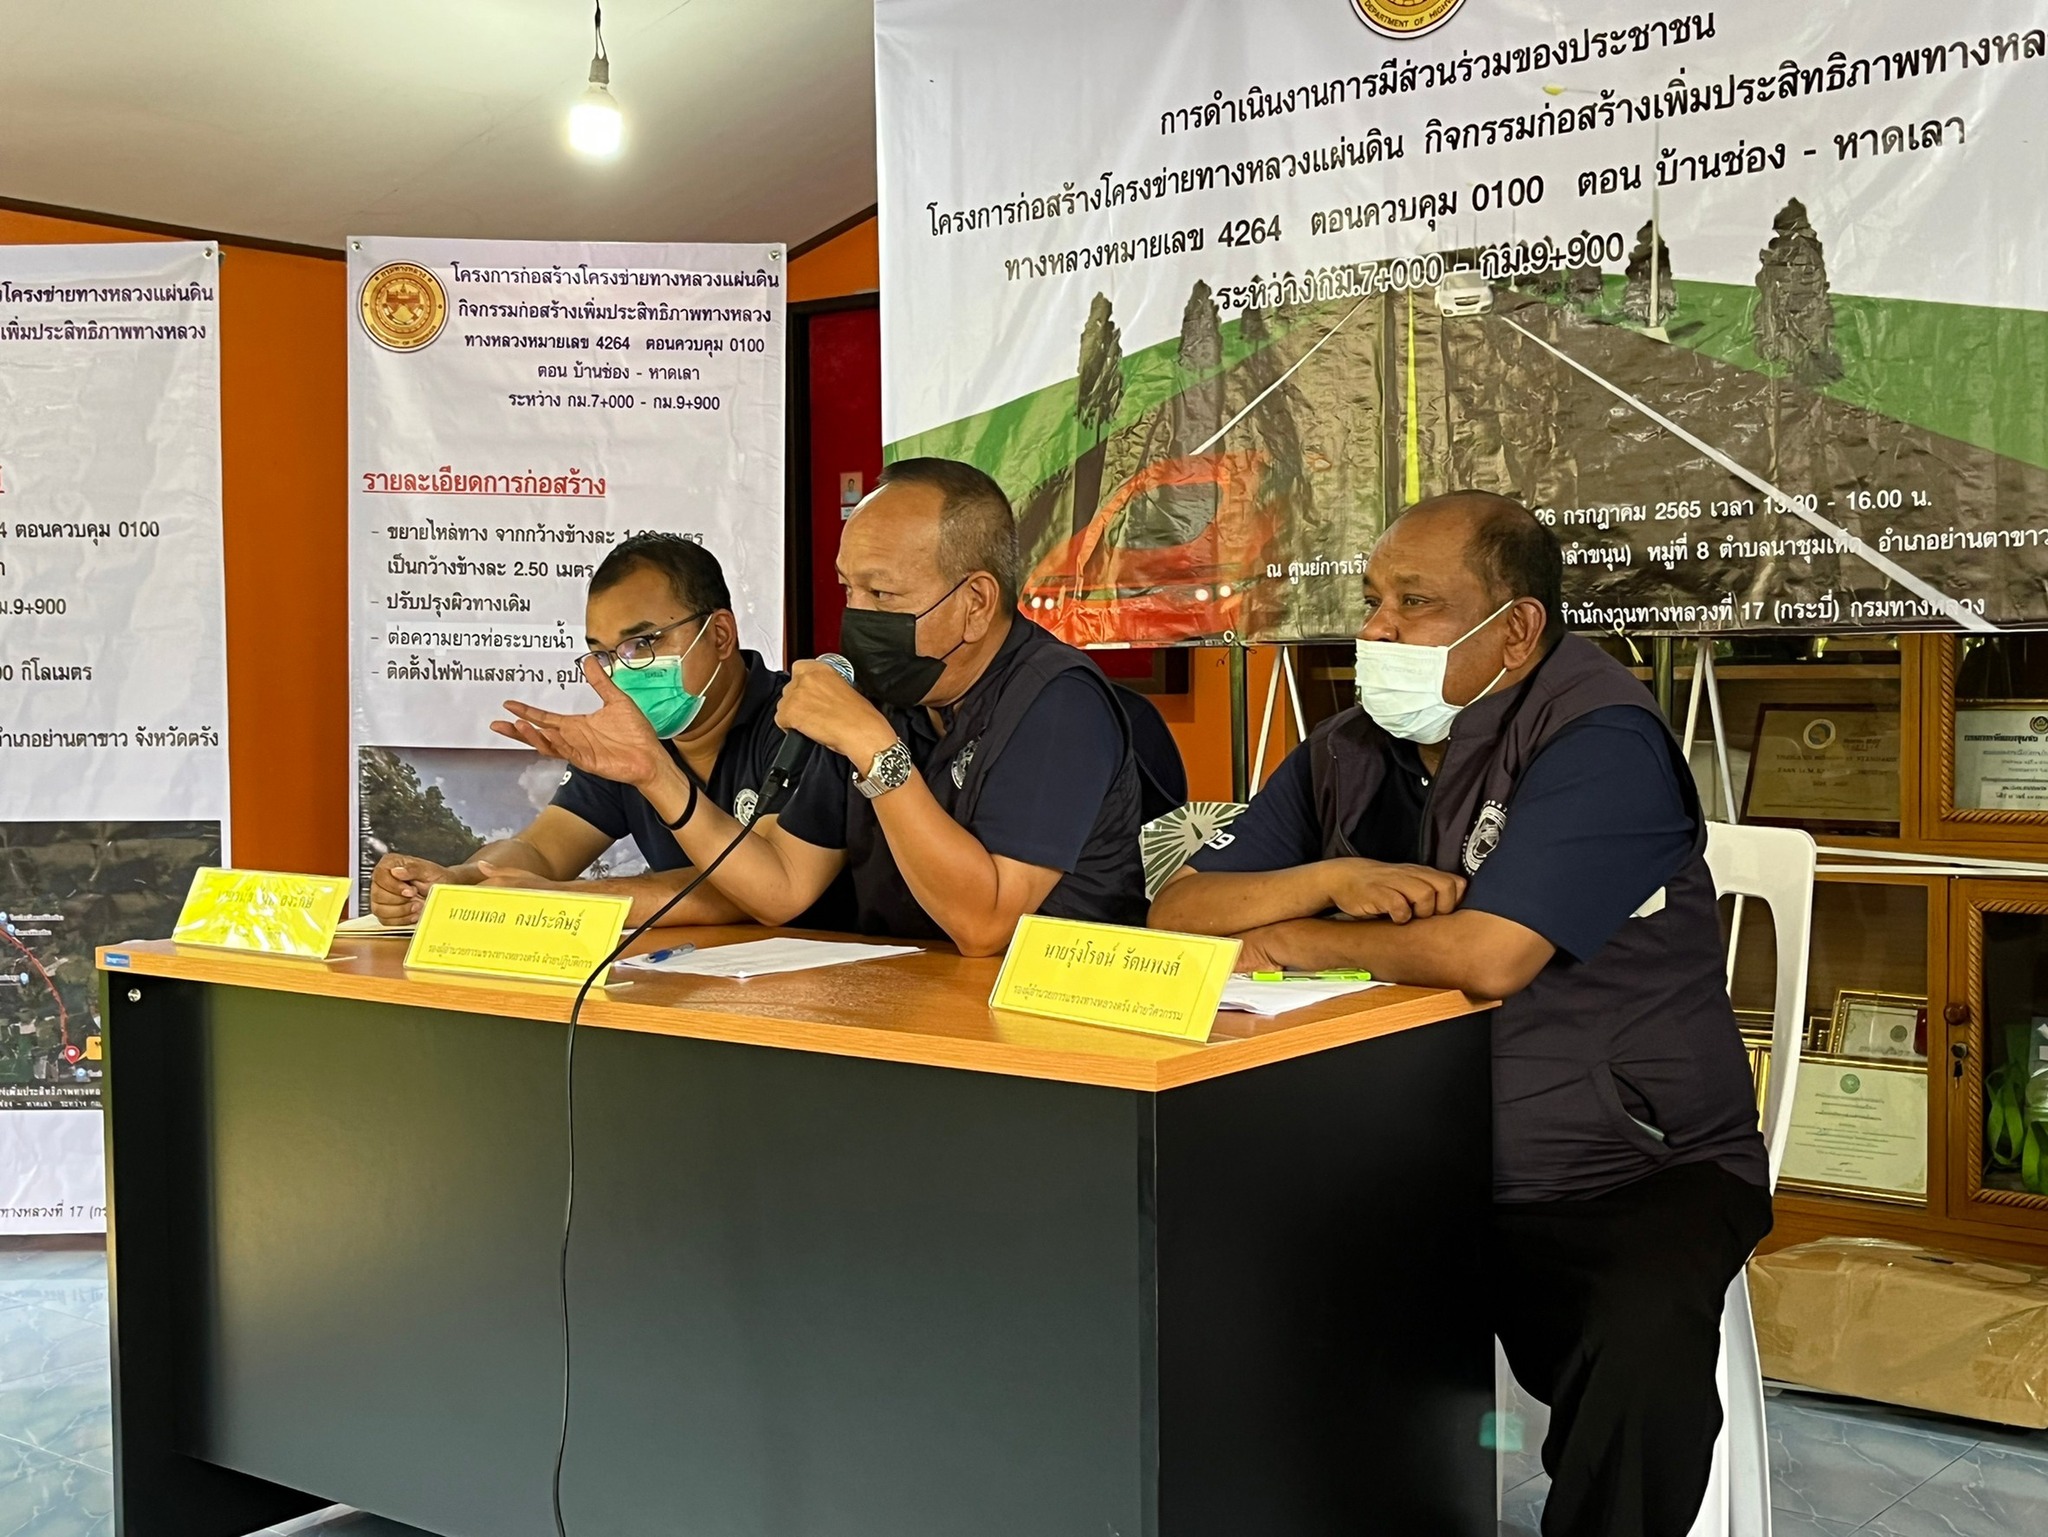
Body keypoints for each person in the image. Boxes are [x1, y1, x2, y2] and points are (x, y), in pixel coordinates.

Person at [1148, 492, 1771, 1537]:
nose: (1377, 630)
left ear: (1515, 629)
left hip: (1622, 1169)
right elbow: (1178, 911)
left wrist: (1304, 933)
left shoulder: (1600, 737)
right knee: (1231, 1301)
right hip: (1406, 1153)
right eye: (1372, 601)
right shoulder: (1351, 746)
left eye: (1415, 603)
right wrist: (1333, 877)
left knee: (1636, 1350)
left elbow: (1491, 955)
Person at [493, 457, 1154, 954]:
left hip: (1057, 1029)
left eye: (882, 594)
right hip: (897, 1006)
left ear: (976, 603)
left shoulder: (1058, 702)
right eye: (847, 589)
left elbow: (985, 925)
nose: (856, 616)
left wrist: (873, 747)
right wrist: (656, 775)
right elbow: (781, 884)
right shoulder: (878, 693)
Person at [370, 532, 833, 929]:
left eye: (643, 643)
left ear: (719, 635)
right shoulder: (627, 734)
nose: (623, 671)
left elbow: (759, 888)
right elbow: (543, 851)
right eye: (604, 654)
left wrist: (574, 900)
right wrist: (459, 882)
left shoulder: (799, 720)